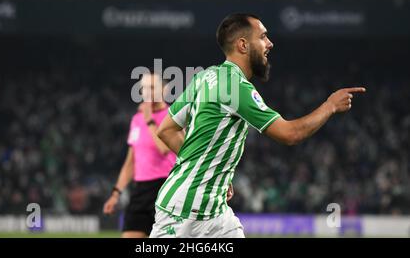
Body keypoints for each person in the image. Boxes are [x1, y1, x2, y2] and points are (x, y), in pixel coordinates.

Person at [150, 13, 366, 238]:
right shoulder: (236, 87)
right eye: (263, 36)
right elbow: (290, 134)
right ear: (243, 45)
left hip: (214, 212)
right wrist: (330, 105)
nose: (270, 43)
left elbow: (166, 130)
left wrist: (212, 170)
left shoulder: (204, 77)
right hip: (184, 213)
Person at [103, 72, 176, 238]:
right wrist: (116, 193)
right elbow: (131, 162)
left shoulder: (172, 116)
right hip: (140, 191)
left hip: (164, 190)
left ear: (164, 90)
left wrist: (150, 120)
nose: (147, 92)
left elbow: (164, 148)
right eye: (144, 88)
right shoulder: (137, 119)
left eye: (152, 87)